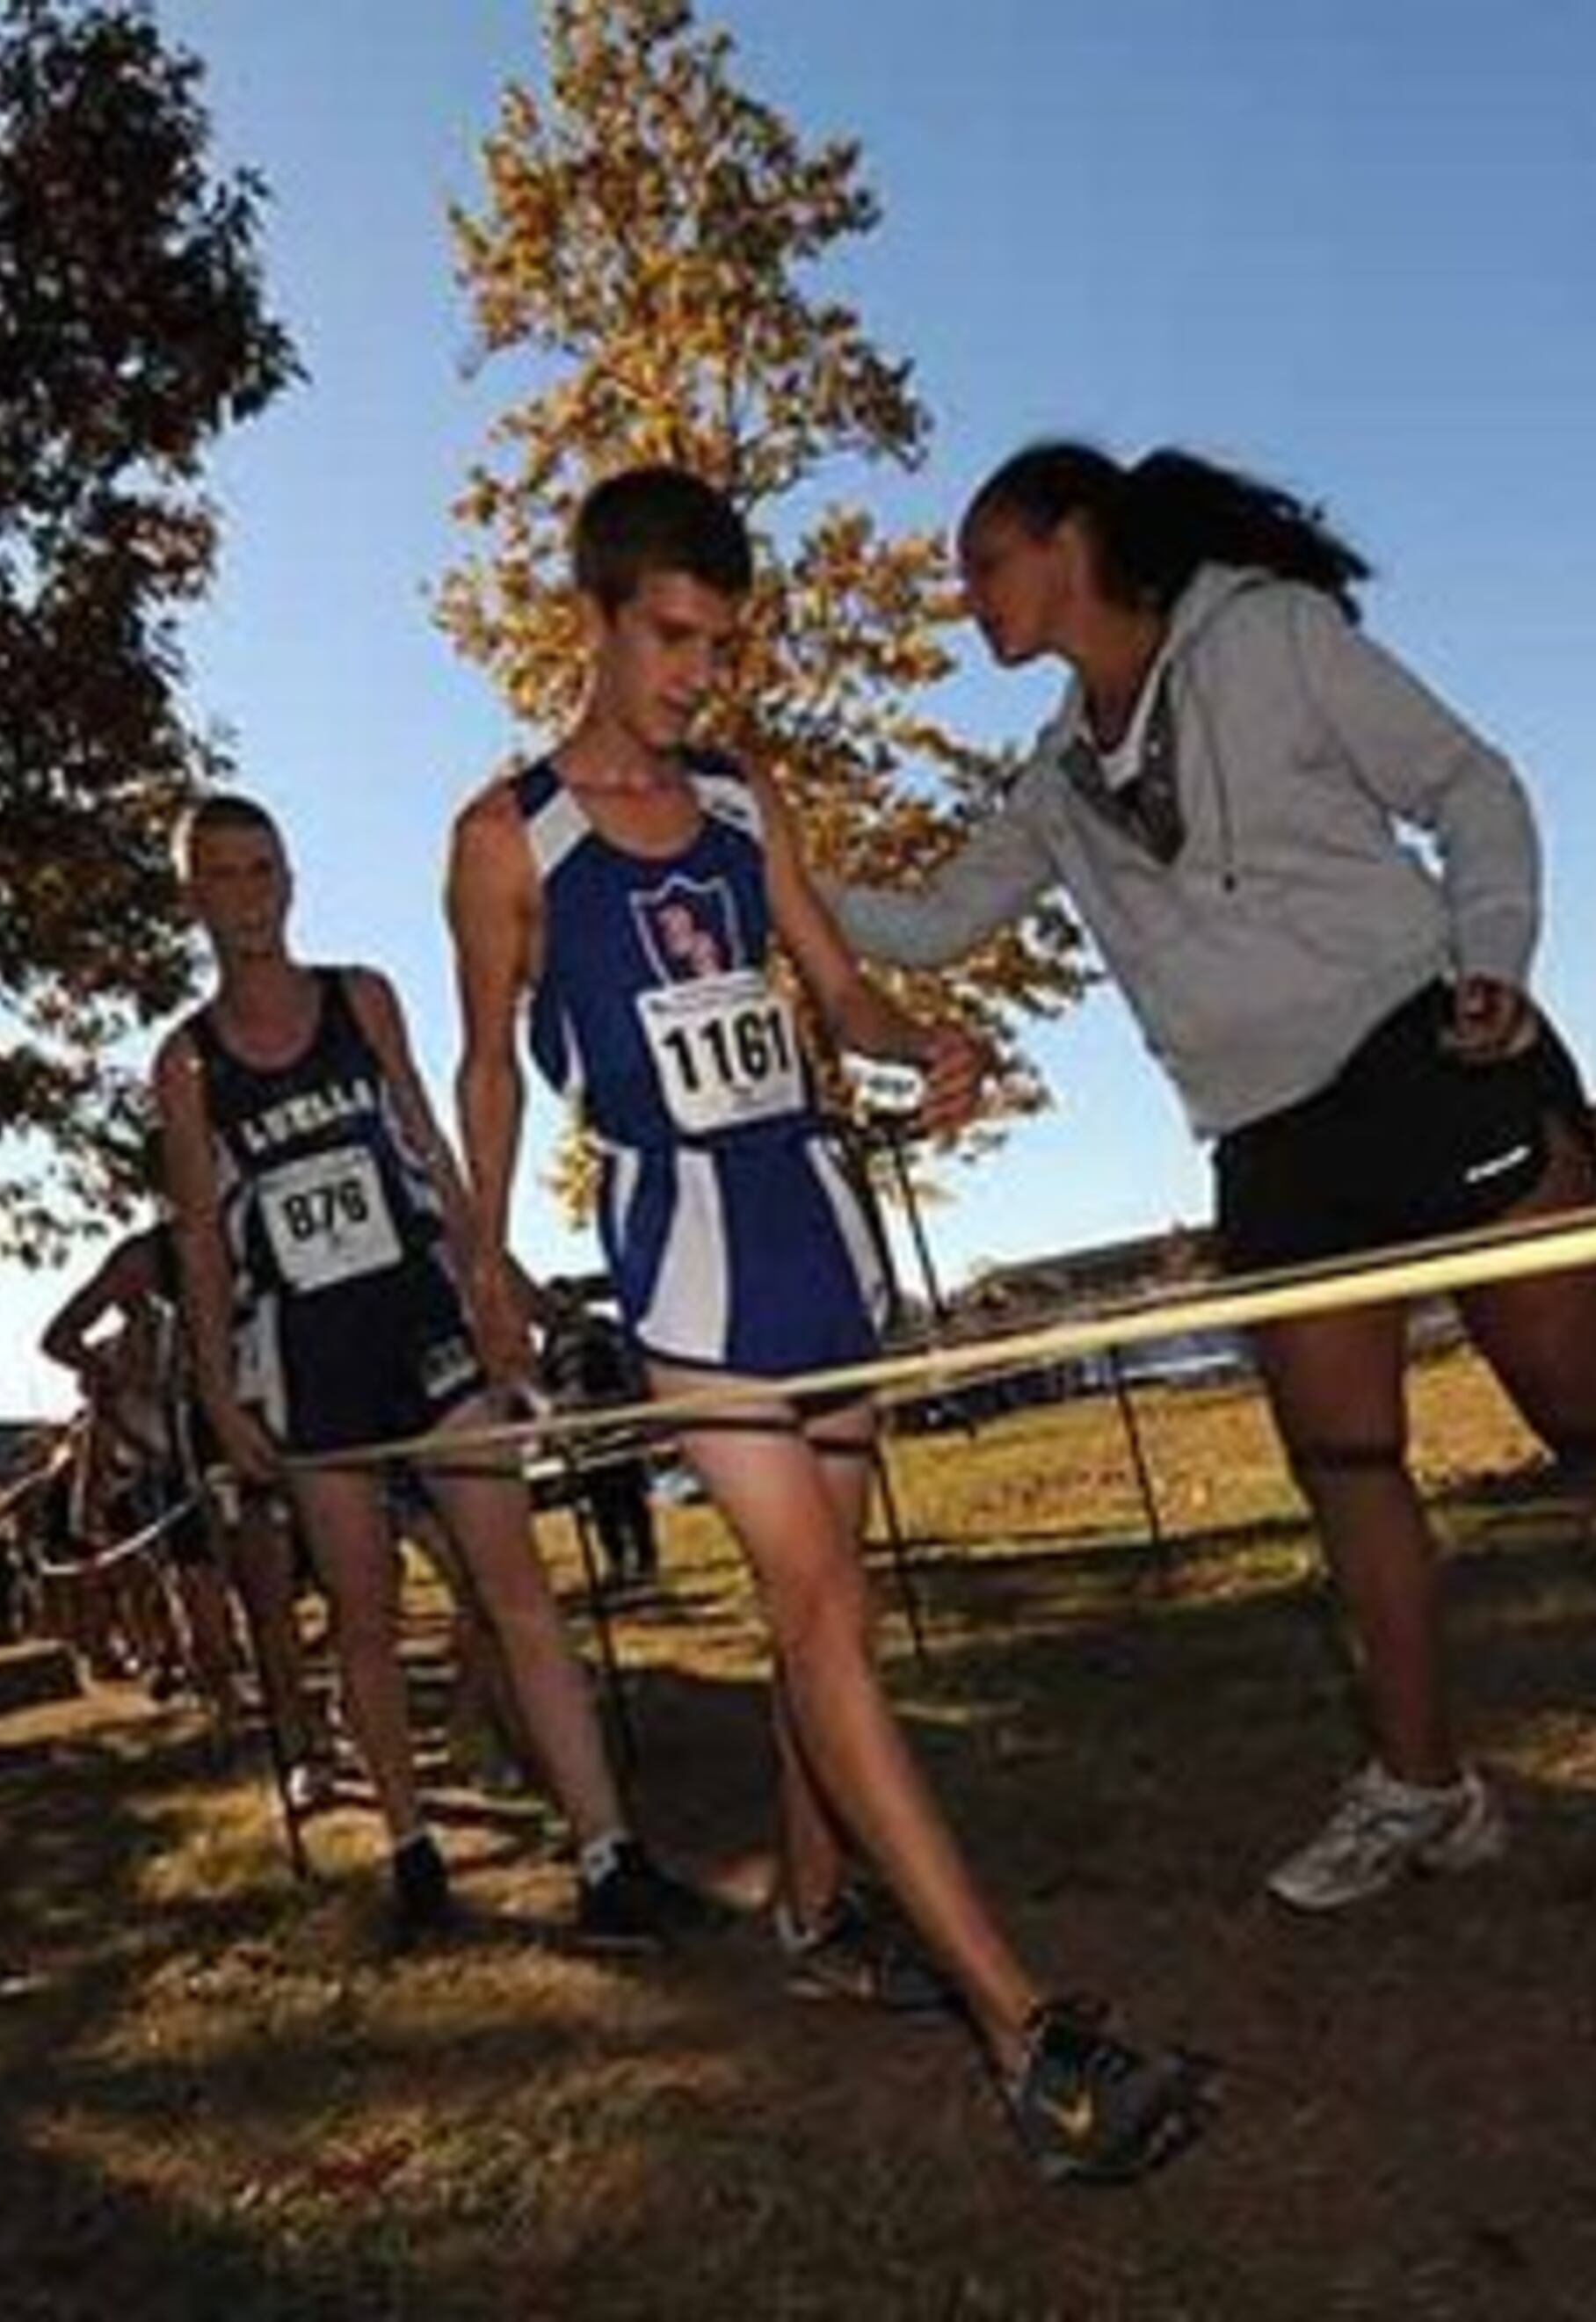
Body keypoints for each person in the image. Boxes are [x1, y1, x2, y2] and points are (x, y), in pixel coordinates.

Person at [832, 439, 1596, 1944]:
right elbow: (922, 923)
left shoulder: (1270, 637)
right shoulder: (1051, 782)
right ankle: (1424, 1783)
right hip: (1274, 1140)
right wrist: (755, 850)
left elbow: (1469, 784)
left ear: (1073, 535)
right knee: (1344, 1464)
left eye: (983, 561)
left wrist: (1493, 955)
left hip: (1429, 1055)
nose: (966, 599)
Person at [446, 464, 1211, 2185]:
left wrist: (920, 1040)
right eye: (670, 639)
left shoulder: (742, 801)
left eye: (719, 647)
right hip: (686, 1257)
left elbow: (837, 986)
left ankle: (810, 1901)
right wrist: (483, 1248)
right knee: (823, 1614)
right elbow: (492, 1058)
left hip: (816, 1228)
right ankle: (1026, 2037)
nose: (696, 676)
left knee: (832, 1613)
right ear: (598, 616)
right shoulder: (508, 836)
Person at [155, 793, 706, 1952]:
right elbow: (203, 1238)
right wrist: (217, 1387)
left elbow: (427, 1144)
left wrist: (490, 1280)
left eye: (262, 869)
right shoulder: (187, 1062)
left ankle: (608, 1850)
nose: (247, 893)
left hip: (423, 1324)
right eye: (222, 875)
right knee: (363, 1609)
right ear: (192, 897)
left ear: (290, 878)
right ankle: (411, 1847)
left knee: (514, 1587)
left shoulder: (361, 998)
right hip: (311, 1357)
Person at [41, 1222, 320, 1774]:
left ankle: (300, 1739)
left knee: (269, 1603)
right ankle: (226, 1709)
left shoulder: (246, 1220)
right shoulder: (139, 1263)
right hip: (175, 1465)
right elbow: (57, 1339)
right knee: (201, 1609)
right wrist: (107, 1375)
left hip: (251, 1434)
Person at [536, 1284, 659, 1590]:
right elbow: (549, 1385)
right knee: (600, 1501)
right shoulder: (552, 1344)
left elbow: (631, 1368)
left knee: (631, 1498)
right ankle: (616, 1563)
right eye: (552, 1306)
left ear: (577, 1301)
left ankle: (646, 1562)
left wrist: (636, 1407)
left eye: (562, 1303)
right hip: (584, 1431)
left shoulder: (604, 1329)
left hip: (616, 1421)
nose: (559, 1311)